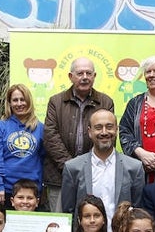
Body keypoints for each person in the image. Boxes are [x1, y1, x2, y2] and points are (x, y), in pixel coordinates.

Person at [43, 58, 114, 212]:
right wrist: (71, 167)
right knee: (61, 226)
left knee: (93, 220)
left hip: (96, 174)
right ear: (70, 76)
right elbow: (50, 136)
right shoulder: (56, 101)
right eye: (80, 73)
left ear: (94, 76)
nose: (85, 77)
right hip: (59, 175)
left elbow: (107, 136)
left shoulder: (106, 102)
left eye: (89, 73)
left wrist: (88, 168)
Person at [59, 109, 144, 221]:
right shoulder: (73, 168)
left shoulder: (134, 168)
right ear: (89, 132)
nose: (104, 132)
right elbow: (68, 212)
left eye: (109, 127)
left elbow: (138, 211)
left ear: (116, 130)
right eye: (98, 128)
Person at [0, 84, 46, 203]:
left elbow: (43, 160)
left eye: (22, 99)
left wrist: (41, 187)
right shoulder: (0, 127)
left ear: (29, 101)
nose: (19, 104)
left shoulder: (40, 128)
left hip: (33, 191)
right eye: (15, 100)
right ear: (9, 103)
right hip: (7, 190)